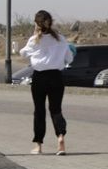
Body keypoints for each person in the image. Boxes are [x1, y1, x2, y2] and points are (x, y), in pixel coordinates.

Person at [19, 10, 74, 155]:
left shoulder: (34, 40)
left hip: (39, 77)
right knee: (56, 109)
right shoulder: (60, 39)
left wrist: (34, 34)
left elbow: (22, 53)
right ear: (51, 22)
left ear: (36, 24)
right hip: (56, 76)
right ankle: (60, 138)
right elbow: (69, 58)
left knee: (39, 111)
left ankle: (39, 145)